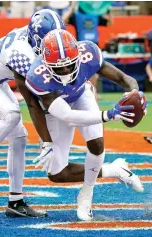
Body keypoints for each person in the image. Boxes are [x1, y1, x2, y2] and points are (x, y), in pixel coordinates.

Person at [25, 29, 148, 221]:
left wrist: (135, 95)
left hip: (81, 95)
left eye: (69, 65)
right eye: (59, 68)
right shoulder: (37, 75)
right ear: (46, 64)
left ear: (78, 57)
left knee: (97, 144)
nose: (65, 71)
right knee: (57, 174)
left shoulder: (88, 53)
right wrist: (107, 115)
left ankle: (86, 194)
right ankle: (114, 170)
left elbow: (126, 79)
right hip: (56, 111)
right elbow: (67, 116)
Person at [0, 9, 65, 217]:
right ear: (37, 38)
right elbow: (32, 102)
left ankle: (15, 202)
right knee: (12, 114)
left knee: (19, 138)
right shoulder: (21, 54)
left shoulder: (31, 38)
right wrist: (47, 142)